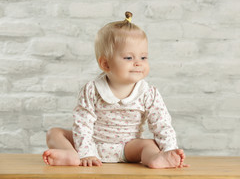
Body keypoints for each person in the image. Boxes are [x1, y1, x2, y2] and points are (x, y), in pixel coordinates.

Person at [42, 12, 188, 169]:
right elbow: (82, 124)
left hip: (128, 147)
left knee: (149, 144)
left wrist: (170, 150)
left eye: (143, 58)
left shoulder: (148, 93)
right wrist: (86, 152)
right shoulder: (92, 89)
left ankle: (156, 158)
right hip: (92, 144)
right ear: (106, 64)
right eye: (128, 58)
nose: (138, 63)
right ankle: (71, 154)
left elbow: (162, 124)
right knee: (54, 133)